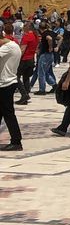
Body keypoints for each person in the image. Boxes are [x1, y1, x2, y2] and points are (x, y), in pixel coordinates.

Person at [0, 22, 23, 151]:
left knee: (8, 113)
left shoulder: (7, 47)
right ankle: (16, 140)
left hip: (5, 84)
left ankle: (16, 141)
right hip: (8, 82)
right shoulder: (13, 45)